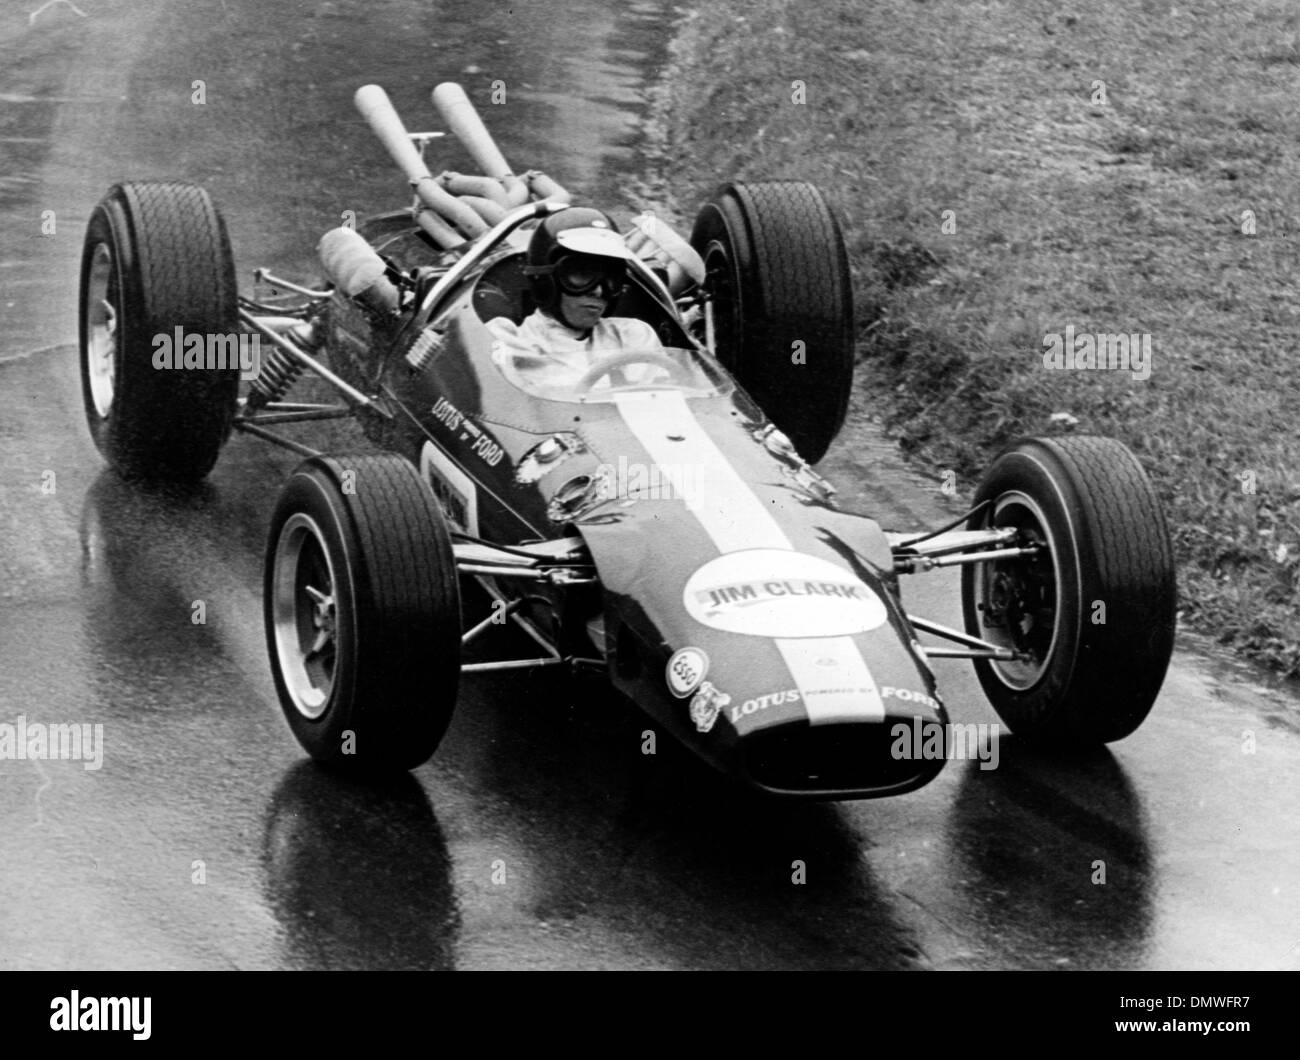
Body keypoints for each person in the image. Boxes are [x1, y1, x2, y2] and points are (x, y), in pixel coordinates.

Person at [487, 207, 669, 393]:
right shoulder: (512, 342)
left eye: (610, 279)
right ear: (546, 280)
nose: (598, 291)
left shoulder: (632, 335)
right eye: (582, 274)